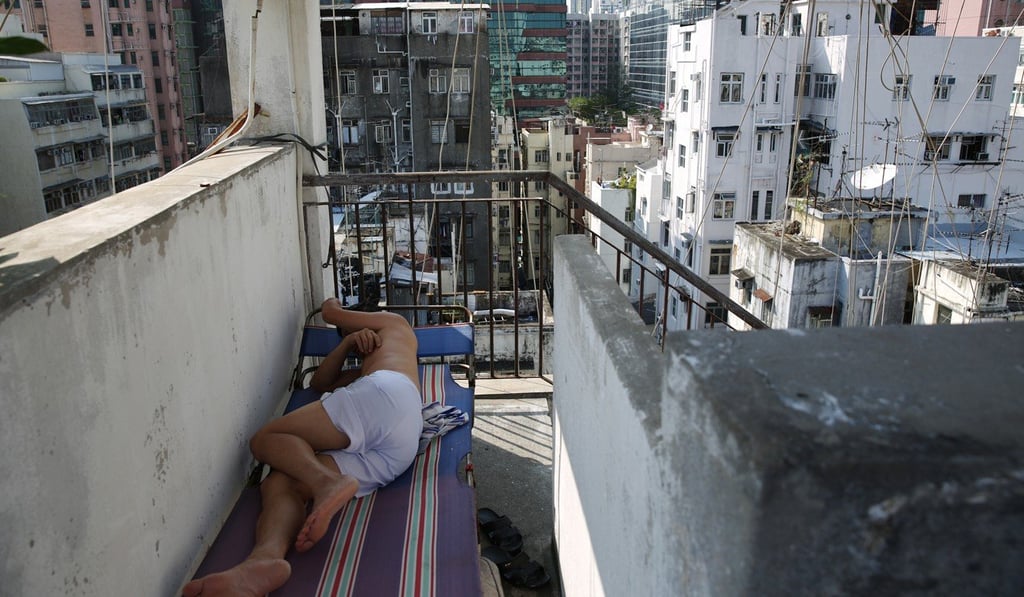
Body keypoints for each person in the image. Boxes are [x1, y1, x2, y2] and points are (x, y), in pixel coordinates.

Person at [182, 298, 422, 597]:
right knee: (282, 480)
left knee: (266, 439)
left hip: (385, 395)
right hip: (400, 445)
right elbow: (321, 383)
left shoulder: (395, 325)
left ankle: (328, 483)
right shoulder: (370, 367)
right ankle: (264, 561)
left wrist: (336, 310)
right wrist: (347, 342)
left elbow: (331, 311)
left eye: (349, 326)